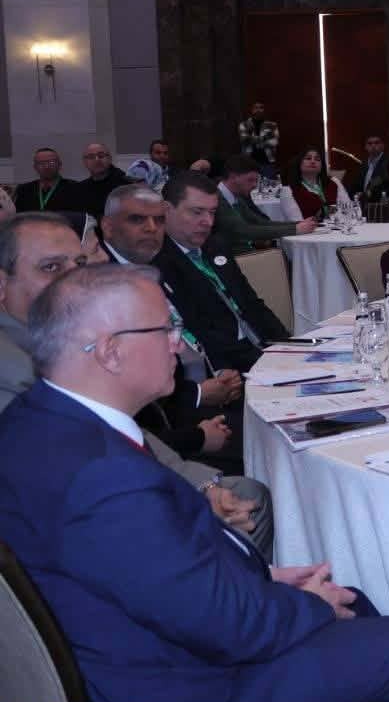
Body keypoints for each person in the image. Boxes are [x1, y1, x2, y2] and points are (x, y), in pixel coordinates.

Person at [0, 264, 389, 702]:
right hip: (178, 679)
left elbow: (145, 571)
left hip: (139, 637)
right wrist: (306, 604)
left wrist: (260, 578)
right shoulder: (104, 477)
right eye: (165, 329)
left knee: (355, 603)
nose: (179, 344)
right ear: (109, 350)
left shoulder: (33, 420)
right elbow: (228, 627)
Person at [0, 211, 272, 554]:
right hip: (84, 533)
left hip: (126, 486)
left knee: (246, 494)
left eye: (79, 264)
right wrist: (191, 497)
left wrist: (203, 485)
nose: (73, 279)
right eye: (51, 267)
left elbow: (123, 431)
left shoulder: (58, 338)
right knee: (250, 497)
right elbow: (81, 485)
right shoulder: (17, 369)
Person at [100, 187, 245, 473]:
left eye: (158, 220)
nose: (151, 228)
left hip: (202, 390)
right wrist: (198, 395)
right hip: (168, 425)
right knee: (269, 445)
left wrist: (219, 374)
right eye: (137, 219)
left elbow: (198, 329)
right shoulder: (104, 286)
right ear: (108, 226)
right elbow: (128, 398)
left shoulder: (154, 266)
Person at [155, 172, 290, 374]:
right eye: (197, 212)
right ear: (166, 210)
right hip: (227, 366)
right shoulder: (158, 264)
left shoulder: (215, 246)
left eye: (212, 212)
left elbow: (251, 302)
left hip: (262, 349)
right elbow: (195, 332)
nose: (208, 222)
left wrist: (288, 344)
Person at [214, 156, 316, 252]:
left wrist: (298, 224)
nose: (254, 185)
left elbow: (260, 222)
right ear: (233, 177)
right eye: (250, 180)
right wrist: (295, 229)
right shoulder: (216, 198)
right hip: (232, 257)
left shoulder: (235, 197)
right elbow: (244, 231)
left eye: (256, 181)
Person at [280, 147, 351, 222]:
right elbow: (297, 223)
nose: (313, 161)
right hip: (310, 229)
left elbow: (348, 209)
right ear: (299, 163)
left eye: (317, 159)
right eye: (308, 158)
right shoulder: (288, 190)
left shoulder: (334, 182)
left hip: (339, 226)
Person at [14, 146, 84, 214]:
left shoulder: (75, 188)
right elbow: (18, 216)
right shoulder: (24, 190)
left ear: (60, 165)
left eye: (51, 162)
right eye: (41, 163)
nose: (46, 166)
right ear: (35, 167)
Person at [79, 142, 130, 218]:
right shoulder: (80, 188)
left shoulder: (128, 185)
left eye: (101, 156)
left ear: (110, 159)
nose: (97, 160)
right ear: (85, 162)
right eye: (91, 157)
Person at [237, 101, 279, 172]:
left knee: (267, 179)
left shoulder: (272, 125)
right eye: (256, 108)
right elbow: (244, 139)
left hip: (267, 161)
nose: (258, 110)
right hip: (249, 161)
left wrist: (253, 139)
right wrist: (265, 138)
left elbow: (274, 142)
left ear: (264, 110)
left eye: (261, 108)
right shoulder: (244, 125)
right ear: (251, 110)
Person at [347, 135, 389, 201]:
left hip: (380, 202)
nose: (373, 146)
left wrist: (365, 195)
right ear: (365, 147)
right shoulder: (363, 164)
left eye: (376, 143)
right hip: (362, 202)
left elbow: (384, 183)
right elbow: (355, 185)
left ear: (382, 146)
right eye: (369, 143)